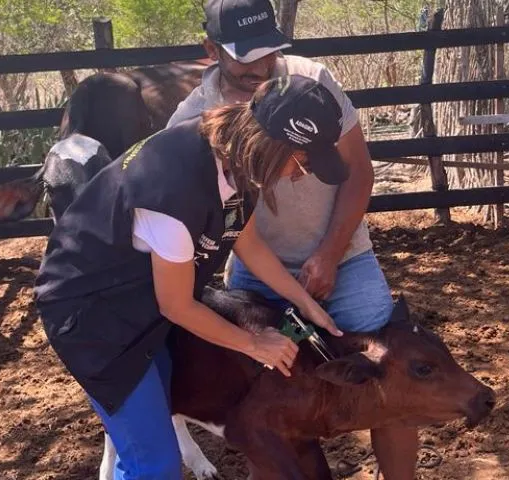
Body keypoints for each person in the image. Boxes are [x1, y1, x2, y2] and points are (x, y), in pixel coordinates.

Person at [34, 75, 346, 480]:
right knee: (155, 462)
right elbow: (177, 304)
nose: (300, 174)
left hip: (139, 303)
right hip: (93, 316)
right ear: (273, 145)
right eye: (302, 161)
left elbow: (244, 241)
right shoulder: (174, 189)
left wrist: (304, 303)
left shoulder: (233, 154)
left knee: (158, 417)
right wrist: (255, 344)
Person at [167, 0, 420, 477]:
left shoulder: (313, 81)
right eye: (245, 56)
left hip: (344, 256)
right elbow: (221, 225)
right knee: (267, 404)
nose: (260, 67)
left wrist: (329, 253)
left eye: (269, 52)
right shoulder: (193, 119)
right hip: (257, 272)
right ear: (211, 49)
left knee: (392, 380)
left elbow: (359, 173)